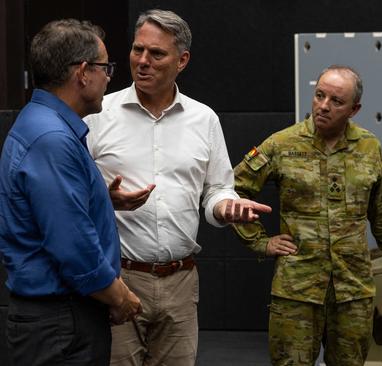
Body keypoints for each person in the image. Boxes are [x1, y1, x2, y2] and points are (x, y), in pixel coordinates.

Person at [84, 9, 271, 366]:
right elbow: (71, 197)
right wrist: (104, 200)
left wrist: (225, 207)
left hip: (181, 282)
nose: (143, 61)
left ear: (182, 60)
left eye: (157, 54)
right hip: (117, 277)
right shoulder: (97, 113)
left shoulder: (204, 119)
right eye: (138, 50)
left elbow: (218, 189)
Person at [232, 65, 382, 365]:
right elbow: (236, 191)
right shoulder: (282, 144)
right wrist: (260, 242)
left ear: (354, 109)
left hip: (352, 290)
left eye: (336, 101)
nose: (324, 106)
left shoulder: (369, 147)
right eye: (319, 96)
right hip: (297, 290)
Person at [0, 19, 142, 366]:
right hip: (60, 323)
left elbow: (48, 210)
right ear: (82, 72)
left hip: (57, 321)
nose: (109, 76)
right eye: (105, 66)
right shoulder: (52, 140)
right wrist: (119, 297)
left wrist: (100, 201)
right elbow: (72, 247)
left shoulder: (42, 124)